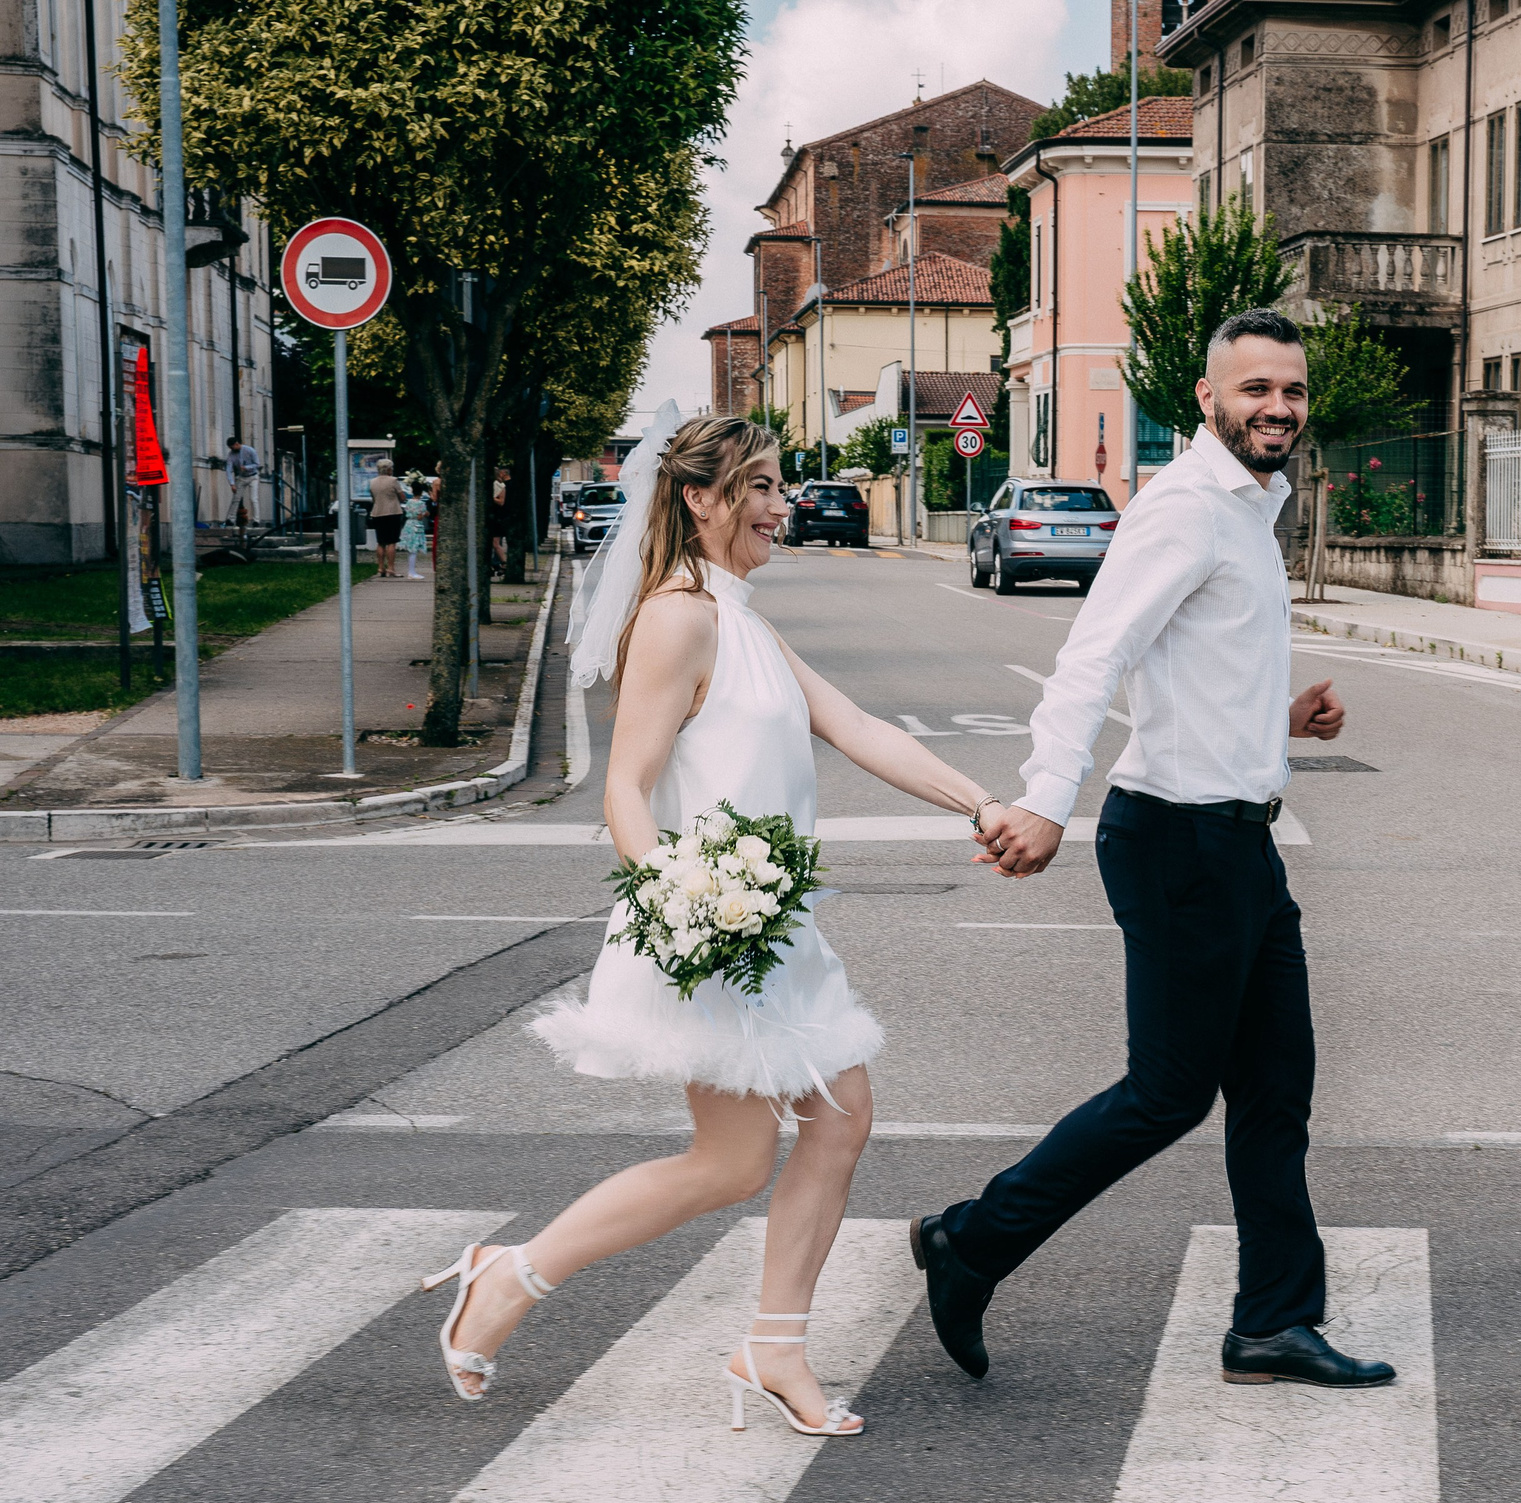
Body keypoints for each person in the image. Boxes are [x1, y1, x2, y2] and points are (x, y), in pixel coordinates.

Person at [423, 413, 1023, 1437]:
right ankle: (512, 1275)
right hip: (715, 924)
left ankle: (762, 1340)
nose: (776, 503)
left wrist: (981, 804)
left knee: (794, 1136)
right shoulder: (677, 618)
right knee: (760, 1148)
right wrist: (683, 909)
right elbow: (625, 788)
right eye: (754, 486)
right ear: (697, 497)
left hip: (769, 922)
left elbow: (858, 725)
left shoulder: (741, 616)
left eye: (776, 484)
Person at [912, 308, 1389, 1390]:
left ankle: (1273, 1320)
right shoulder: (1182, 509)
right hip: (1176, 843)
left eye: (1292, 391)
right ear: (1208, 401)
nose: (1278, 407)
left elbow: (1194, 679)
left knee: (1275, 1088)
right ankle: (969, 1241)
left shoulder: (1252, 506)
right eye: (1255, 389)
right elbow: (1092, 659)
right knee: (1167, 1092)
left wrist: (1279, 716)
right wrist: (1043, 800)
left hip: (1240, 844)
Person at [367, 458, 405, 580]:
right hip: (392, 512)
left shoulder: (372, 482)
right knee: (391, 542)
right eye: (391, 468)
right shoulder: (393, 481)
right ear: (388, 469)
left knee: (381, 541)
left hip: (377, 513)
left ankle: (380, 567)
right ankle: (391, 568)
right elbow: (402, 497)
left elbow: (373, 498)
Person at [224, 436, 260, 536]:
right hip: (241, 477)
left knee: (254, 498)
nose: (231, 449)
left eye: (232, 447)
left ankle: (256, 520)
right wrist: (232, 484)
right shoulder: (231, 455)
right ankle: (230, 519)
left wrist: (247, 467)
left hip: (253, 476)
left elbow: (257, 464)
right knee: (236, 498)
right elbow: (228, 469)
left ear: (236, 444)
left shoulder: (250, 450)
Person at [397, 477, 429, 578]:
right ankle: (412, 572)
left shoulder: (409, 502)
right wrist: (425, 514)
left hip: (408, 524)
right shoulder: (421, 504)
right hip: (416, 525)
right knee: (414, 548)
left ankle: (411, 571)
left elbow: (407, 511)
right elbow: (419, 517)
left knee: (410, 548)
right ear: (421, 492)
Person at [488, 466, 512, 579]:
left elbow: (501, 501)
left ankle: (504, 562)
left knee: (495, 542)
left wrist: (491, 498)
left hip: (497, 517)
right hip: (494, 517)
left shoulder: (499, 485)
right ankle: (495, 564)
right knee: (493, 542)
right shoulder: (496, 484)